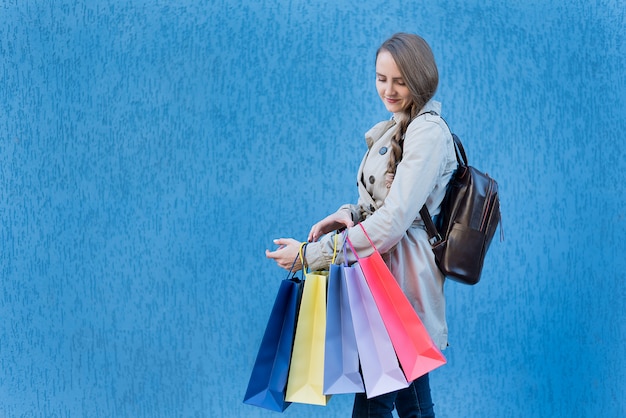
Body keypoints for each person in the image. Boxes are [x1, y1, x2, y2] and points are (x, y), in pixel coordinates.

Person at [266, 32, 458, 418]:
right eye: (381, 77)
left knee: (375, 404)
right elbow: (380, 207)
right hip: (382, 280)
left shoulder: (427, 133)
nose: (388, 89)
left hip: (400, 285)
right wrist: (345, 214)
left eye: (400, 81)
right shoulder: (396, 125)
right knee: (412, 404)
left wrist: (310, 256)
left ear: (420, 78)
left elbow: (393, 222)